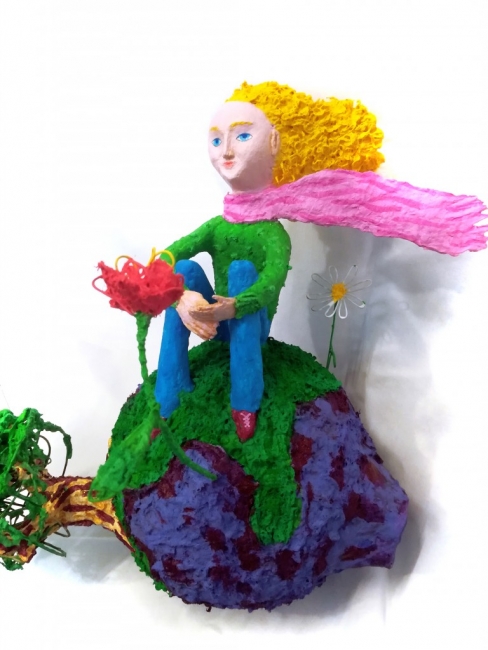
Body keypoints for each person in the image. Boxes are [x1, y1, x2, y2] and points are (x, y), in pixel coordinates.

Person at [155, 82, 385, 441]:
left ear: (274, 142)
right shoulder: (217, 226)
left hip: (250, 325)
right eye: (216, 140)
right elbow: (170, 255)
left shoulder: (272, 234)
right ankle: (169, 393)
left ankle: (244, 402)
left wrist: (235, 306)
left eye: (242, 136)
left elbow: (272, 280)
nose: (226, 150)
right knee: (183, 272)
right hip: (213, 320)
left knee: (242, 272)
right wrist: (182, 297)